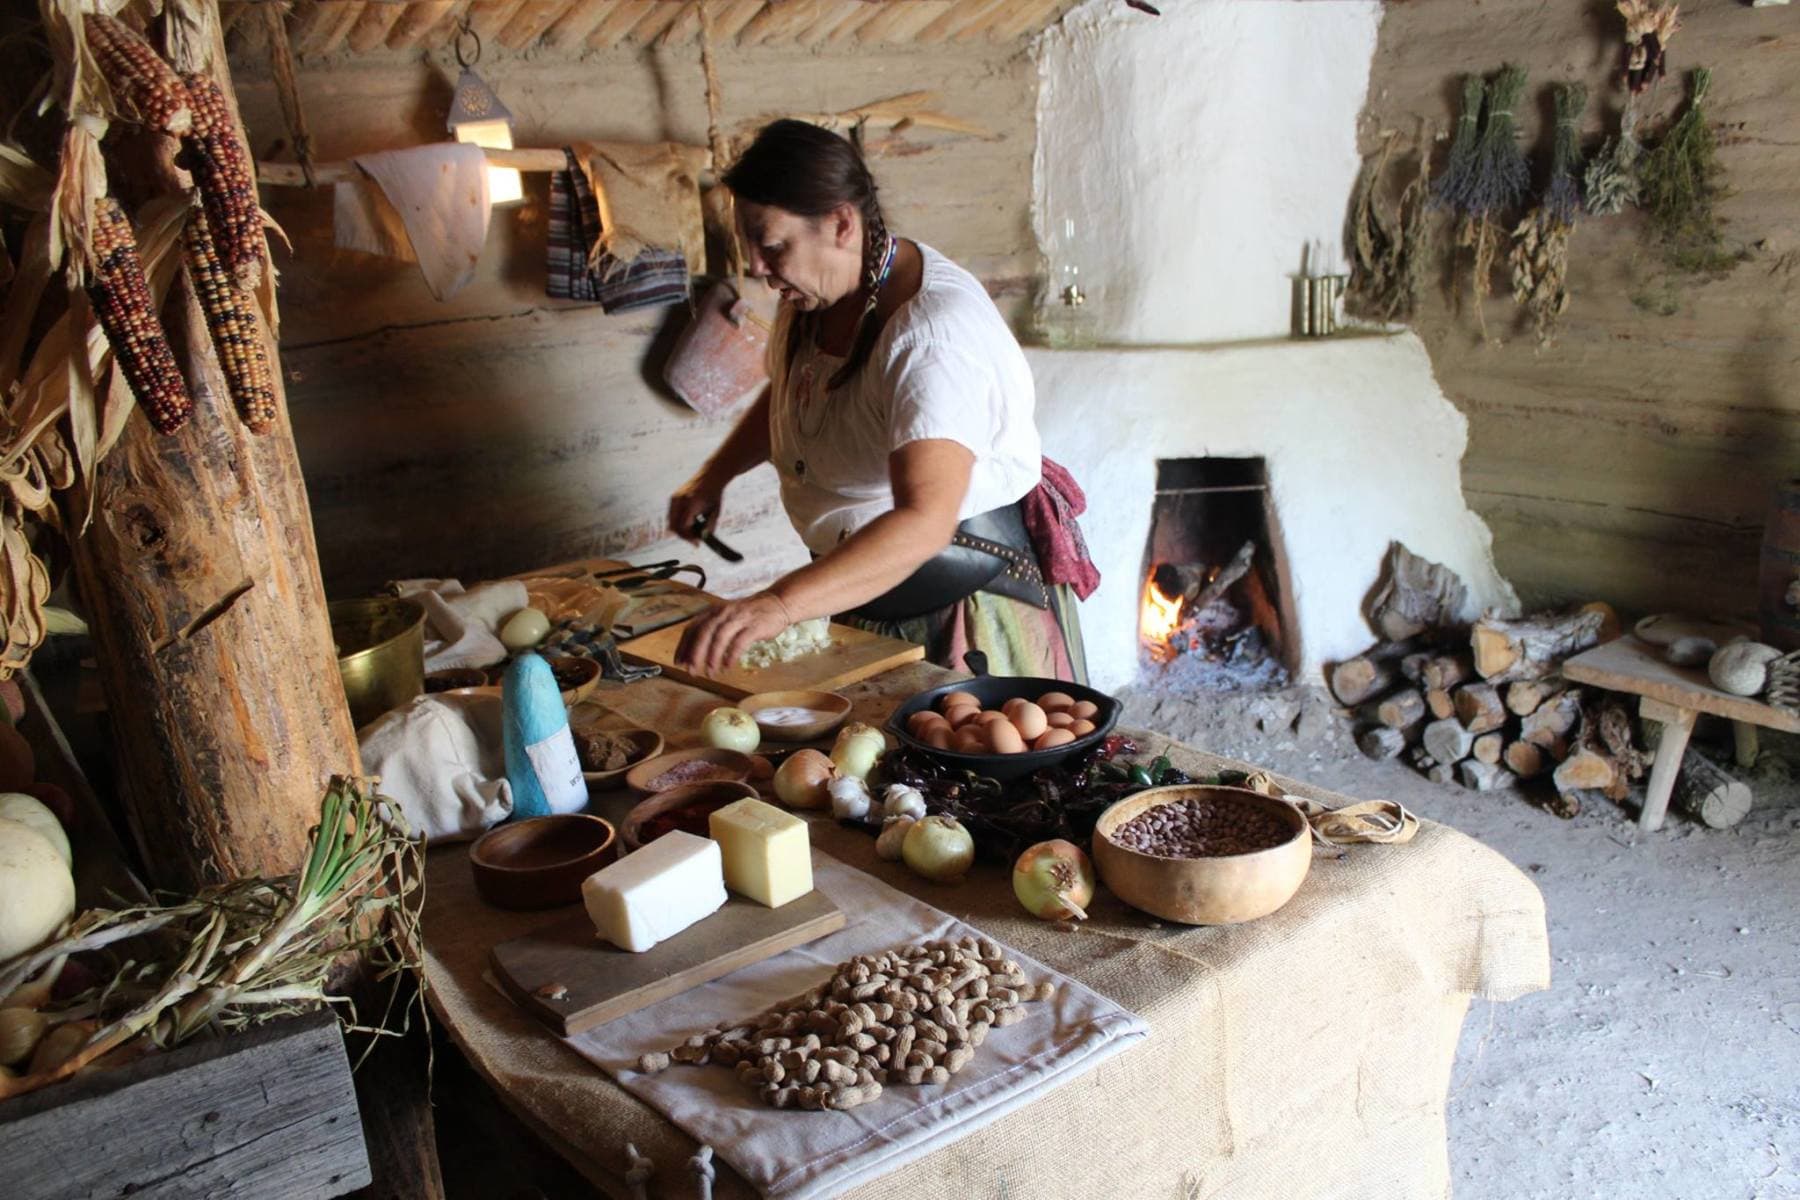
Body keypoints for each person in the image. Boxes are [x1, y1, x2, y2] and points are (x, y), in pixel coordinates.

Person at [668, 119, 1093, 681]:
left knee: (970, 737)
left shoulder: (930, 341)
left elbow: (925, 520)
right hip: (866, 586)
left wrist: (780, 604)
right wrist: (714, 475)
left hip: (962, 603)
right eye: (748, 246)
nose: (756, 268)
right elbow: (796, 392)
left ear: (842, 223)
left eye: (771, 246)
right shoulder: (821, 290)